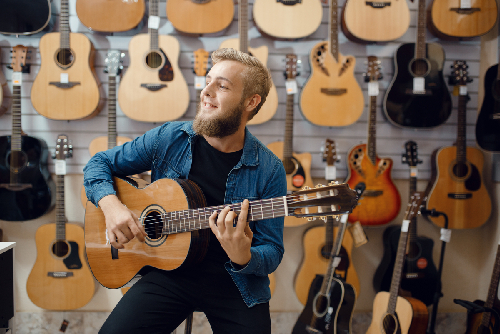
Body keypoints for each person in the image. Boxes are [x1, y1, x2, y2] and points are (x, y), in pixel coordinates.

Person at [83, 48, 287, 334]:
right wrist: (112, 206)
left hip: (235, 284)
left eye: (222, 86)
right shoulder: (170, 138)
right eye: (208, 80)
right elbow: (98, 163)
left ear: (250, 102)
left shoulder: (269, 169)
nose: (206, 92)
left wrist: (245, 256)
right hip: (169, 274)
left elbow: (273, 250)